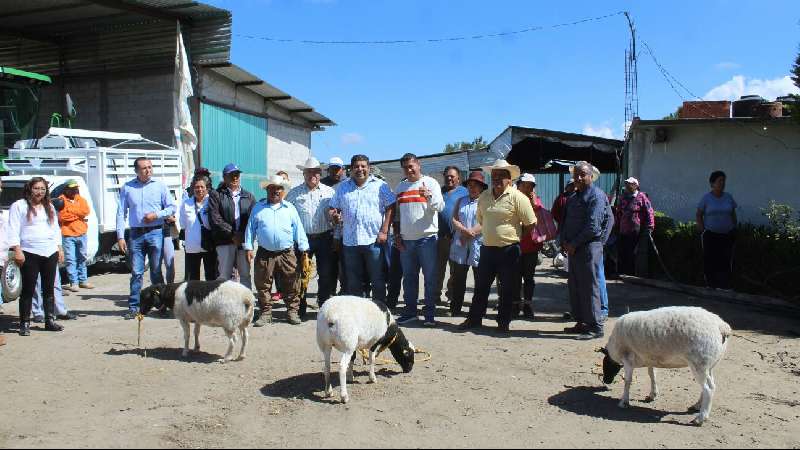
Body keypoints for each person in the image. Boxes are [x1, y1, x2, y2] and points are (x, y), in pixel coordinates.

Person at [459, 160, 536, 335]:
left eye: (501, 176)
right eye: (494, 176)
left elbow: (531, 223)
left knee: (507, 289)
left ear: (509, 179)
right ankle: (474, 319)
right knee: (481, 287)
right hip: (487, 249)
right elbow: (481, 219)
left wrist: (516, 237)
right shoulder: (485, 196)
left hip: (509, 250)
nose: (497, 179)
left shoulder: (518, 198)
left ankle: (503, 322)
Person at [329, 155, 395, 305]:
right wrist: (334, 215)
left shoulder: (380, 185)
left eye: (363, 166)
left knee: (377, 279)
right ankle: (358, 311)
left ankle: (380, 310)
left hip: (374, 241)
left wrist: (384, 230)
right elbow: (333, 208)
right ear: (351, 169)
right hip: (350, 242)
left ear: (369, 167)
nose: (360, 169)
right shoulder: (343, 187)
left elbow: (391, 206)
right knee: (353, 280)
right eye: (356, 166)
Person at [116, 158, 176, 320]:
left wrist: (156, 215)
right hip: (136, 234)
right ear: (136, 171)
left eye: (150, 167)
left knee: (156, 271)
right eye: (144, 168)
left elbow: (171, 207)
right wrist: (120, 236)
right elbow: (121, 213)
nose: (148, 170)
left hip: (155, 232)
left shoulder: (160, 186)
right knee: (136, 272)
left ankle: (162, 304)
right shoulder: (128, 188)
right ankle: (134, 307)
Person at [246, 176, 309, 326]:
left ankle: (292, 311)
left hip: (287, 253)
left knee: (292, 282)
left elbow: (298, 229)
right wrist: (248, 247)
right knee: (263, 285)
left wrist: (304, 248)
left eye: (279, 188)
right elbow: (250, 229)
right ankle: (265, 313)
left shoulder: (290, 208)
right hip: (264, 253)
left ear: (283, 191)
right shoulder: (258, 208)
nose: (276, 191)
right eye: (272, 188)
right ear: (267, 190)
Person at [7, 177, 65, 335]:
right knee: (28, 289)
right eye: (36, 188)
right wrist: (17, 249)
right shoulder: (19, 206)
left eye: (43, 189)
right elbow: (12, 229)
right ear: (29, 189)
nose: (39, 192)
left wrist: (59, 249)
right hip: (29, 252)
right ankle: (24, 323)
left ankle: (49, 320)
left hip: (49, 252)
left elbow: (55, 229)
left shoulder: (49, 207)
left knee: (49, 289)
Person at [394, 154, 445, 326]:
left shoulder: (431, 183)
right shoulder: (400, 187)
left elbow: (440, 207)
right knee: (409, 278)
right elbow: (398, 214)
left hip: (427, 239)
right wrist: (397, 235)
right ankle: (410, 312)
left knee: (430, 278)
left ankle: (429, 315)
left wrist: (428, 196)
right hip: (407, 240)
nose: (409, 170)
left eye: (411, 166)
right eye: (405, 167)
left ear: (418, 165)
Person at [561, 162, 610, 340]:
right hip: (573, 249)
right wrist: (564, 242)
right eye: (576, 175)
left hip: (588, 247)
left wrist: (574, 243)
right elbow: (566, 222)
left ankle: (595, 326)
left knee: (590, 287)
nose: (579, 178)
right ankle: (581, 322)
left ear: (591, 176)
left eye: (583, 174)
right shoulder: (573, 197)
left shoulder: (596, 196)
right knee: (575, 286)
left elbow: (593, 226)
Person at [286, 157, 336, 309]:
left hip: (325, 237)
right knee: (301, 273)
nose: (312, 175)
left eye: (315, 172)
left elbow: (336, 212)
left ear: (320, 174)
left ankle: (323, 304)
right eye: (309, 172)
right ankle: (300, 304)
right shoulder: (294, 193)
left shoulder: (330, 192)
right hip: (302, 239)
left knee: (326, 273)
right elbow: (287, 216)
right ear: (304, 174)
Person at [209, 164, 256, 289]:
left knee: (245, 275)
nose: (235, 178)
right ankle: (224, 306)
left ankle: (247, 305)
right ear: (225, 177)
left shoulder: (249, 196)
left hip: (243, 242)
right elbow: (215, 219)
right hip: (225, 241)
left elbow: (253, 220)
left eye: (237, 175)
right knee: (224, 276)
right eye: (231, 175)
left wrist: (243, 236)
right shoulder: (216, 195)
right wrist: (233, 233)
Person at [449, 170, 486, 317]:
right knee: (458, 279)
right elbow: (454, 219)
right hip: (461, 243)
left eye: (476, 185)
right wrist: (464, 231)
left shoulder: (485, 202)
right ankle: (455, 308)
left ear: (482, 187)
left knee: (480, 280)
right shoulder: (461, 201)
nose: (473, 187)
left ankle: (479, 310)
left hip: (478, 244)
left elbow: (485, 221)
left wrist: (471, 233)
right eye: (470, 185)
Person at [697, 171, 738, 290]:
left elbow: (733, 213)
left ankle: (725, 286)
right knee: (710, 260)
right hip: (710, 235)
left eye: (723, 181)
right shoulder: (706, 198)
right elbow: (699, 214)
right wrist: (701, 227)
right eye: (719, 181)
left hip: (727, 234)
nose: (722, 183)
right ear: (712, 183)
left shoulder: (728, 197)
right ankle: (710, 285)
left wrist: (734, 226)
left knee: (726, 260)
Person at [436, 166, 469, 312]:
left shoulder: (465, 192)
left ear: (458, 178)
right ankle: (435, 295)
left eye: (452, 176)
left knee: (456, 270)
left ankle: (452, 295)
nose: (449, 178)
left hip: (457, 237)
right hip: (439, 238)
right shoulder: (439, 191)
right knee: (437, 269)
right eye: (447, 176)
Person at [516, 174, 544, 320]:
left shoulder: (536, 201)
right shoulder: (512, 198)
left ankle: (527, 305)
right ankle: (515, 305)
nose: (528, 188)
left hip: (530, 247)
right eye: (525, 184)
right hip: (513, 245)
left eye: (531, 185)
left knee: (528, 278)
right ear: (518, 184)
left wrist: (534, 204)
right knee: (514, 277)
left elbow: (541, 220)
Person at [58, 180, 94, 292]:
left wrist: (72, 211)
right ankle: (74, 282)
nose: (74, 190)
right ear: (66, 189)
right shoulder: (61, 200)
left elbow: (86, 211)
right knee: (71, 259)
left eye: (75, 188)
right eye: (72, 188)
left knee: (82, 257)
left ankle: (83, 281)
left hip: (82, 233)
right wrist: (78, 215)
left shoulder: (80, 199)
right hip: (68, 234)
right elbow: (62, 217)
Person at [180, 176, 217, 281]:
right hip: (192, 247)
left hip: (209, 246)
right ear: (193, 188)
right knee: (192, 279)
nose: (199, 189)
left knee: (211, 276)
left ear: (207, 188)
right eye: (196, 187)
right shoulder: (186, 204)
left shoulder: (211, 201)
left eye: (202, 187)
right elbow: (182, 225)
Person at [617, 177, 655, 276]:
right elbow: (619, 212)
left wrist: (650, 225)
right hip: (623, 229)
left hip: (635, 229)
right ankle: (623, 273)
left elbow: (649, 211)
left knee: (633, 252)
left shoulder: (641, 196)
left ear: (636, 185)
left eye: (630, 184)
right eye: (626, 184)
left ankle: (631, 274)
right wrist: (616, 224)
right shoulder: (623, 197)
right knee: (622, 251)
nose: (627, 185)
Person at [321, 156, 347, 296]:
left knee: (344, 265)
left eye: (338, 169)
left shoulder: (348, 183)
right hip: (326, 231)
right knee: (329, 266)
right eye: (332, 169)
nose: (335, 172)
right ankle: (330, 293)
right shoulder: (322, 183)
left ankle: (343, 292)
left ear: (343, 170)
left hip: (344, 231)